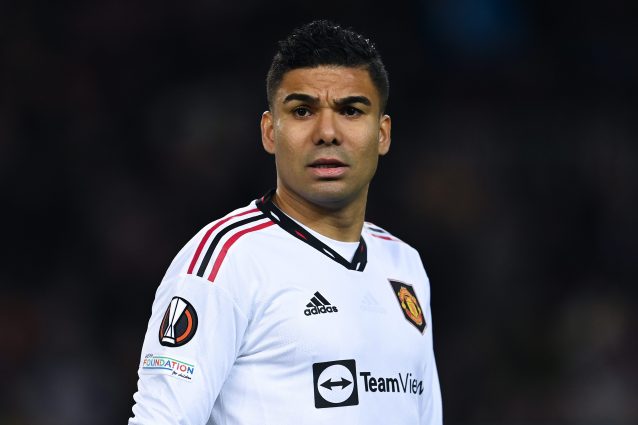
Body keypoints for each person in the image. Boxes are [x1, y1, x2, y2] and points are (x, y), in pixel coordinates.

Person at [129, 20, 442, 424]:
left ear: (382, 134)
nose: (327, 133)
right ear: (270, 132)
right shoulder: (229, 261)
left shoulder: (405, 265)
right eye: (302, 111)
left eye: (350, 110)